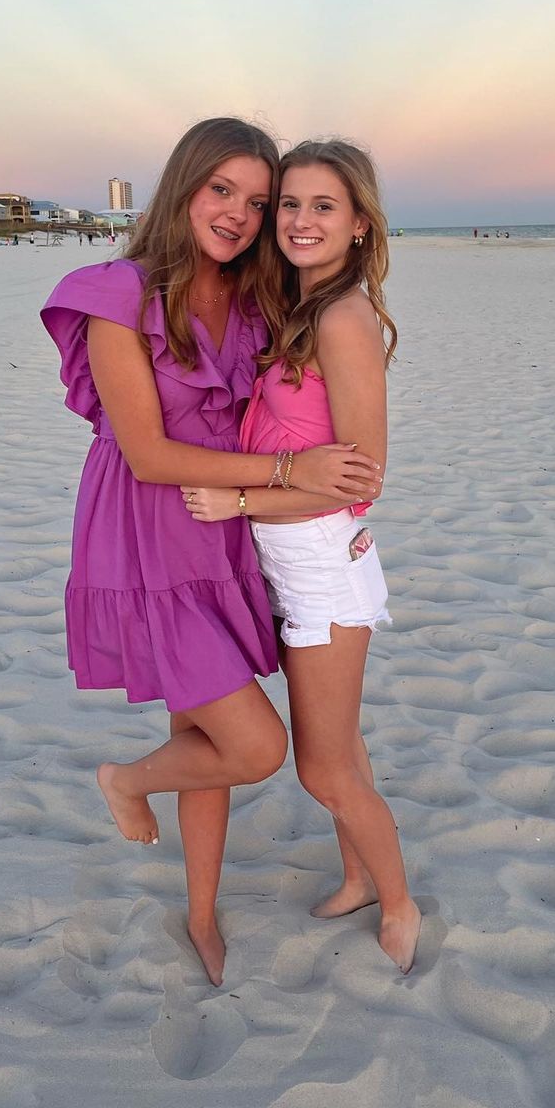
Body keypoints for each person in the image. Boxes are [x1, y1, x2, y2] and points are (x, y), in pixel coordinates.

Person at [41, 118, 381, 985]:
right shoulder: (118, 293)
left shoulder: (255, 299)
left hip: (226, 528)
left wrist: (319, 496)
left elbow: (319, 392)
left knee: (199, 727)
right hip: (147, 530)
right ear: (183, 186)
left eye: (258, 202)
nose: (238, 213)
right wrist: (289, 471)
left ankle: (200, 913)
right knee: (252, 744)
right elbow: (149, 456)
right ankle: (125, 781)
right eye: (221, 190)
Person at [181, 140, 421, 974]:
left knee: (323, 769)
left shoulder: (344, 319)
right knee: (343, 747)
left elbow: (361, 479)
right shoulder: (298, 309)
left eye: (325, 206)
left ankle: (400, 904)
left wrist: (242, 500)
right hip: (290, 561)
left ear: (359, 225)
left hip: (321, 564)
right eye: (289, 203)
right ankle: (357, 878)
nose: (300, 220)